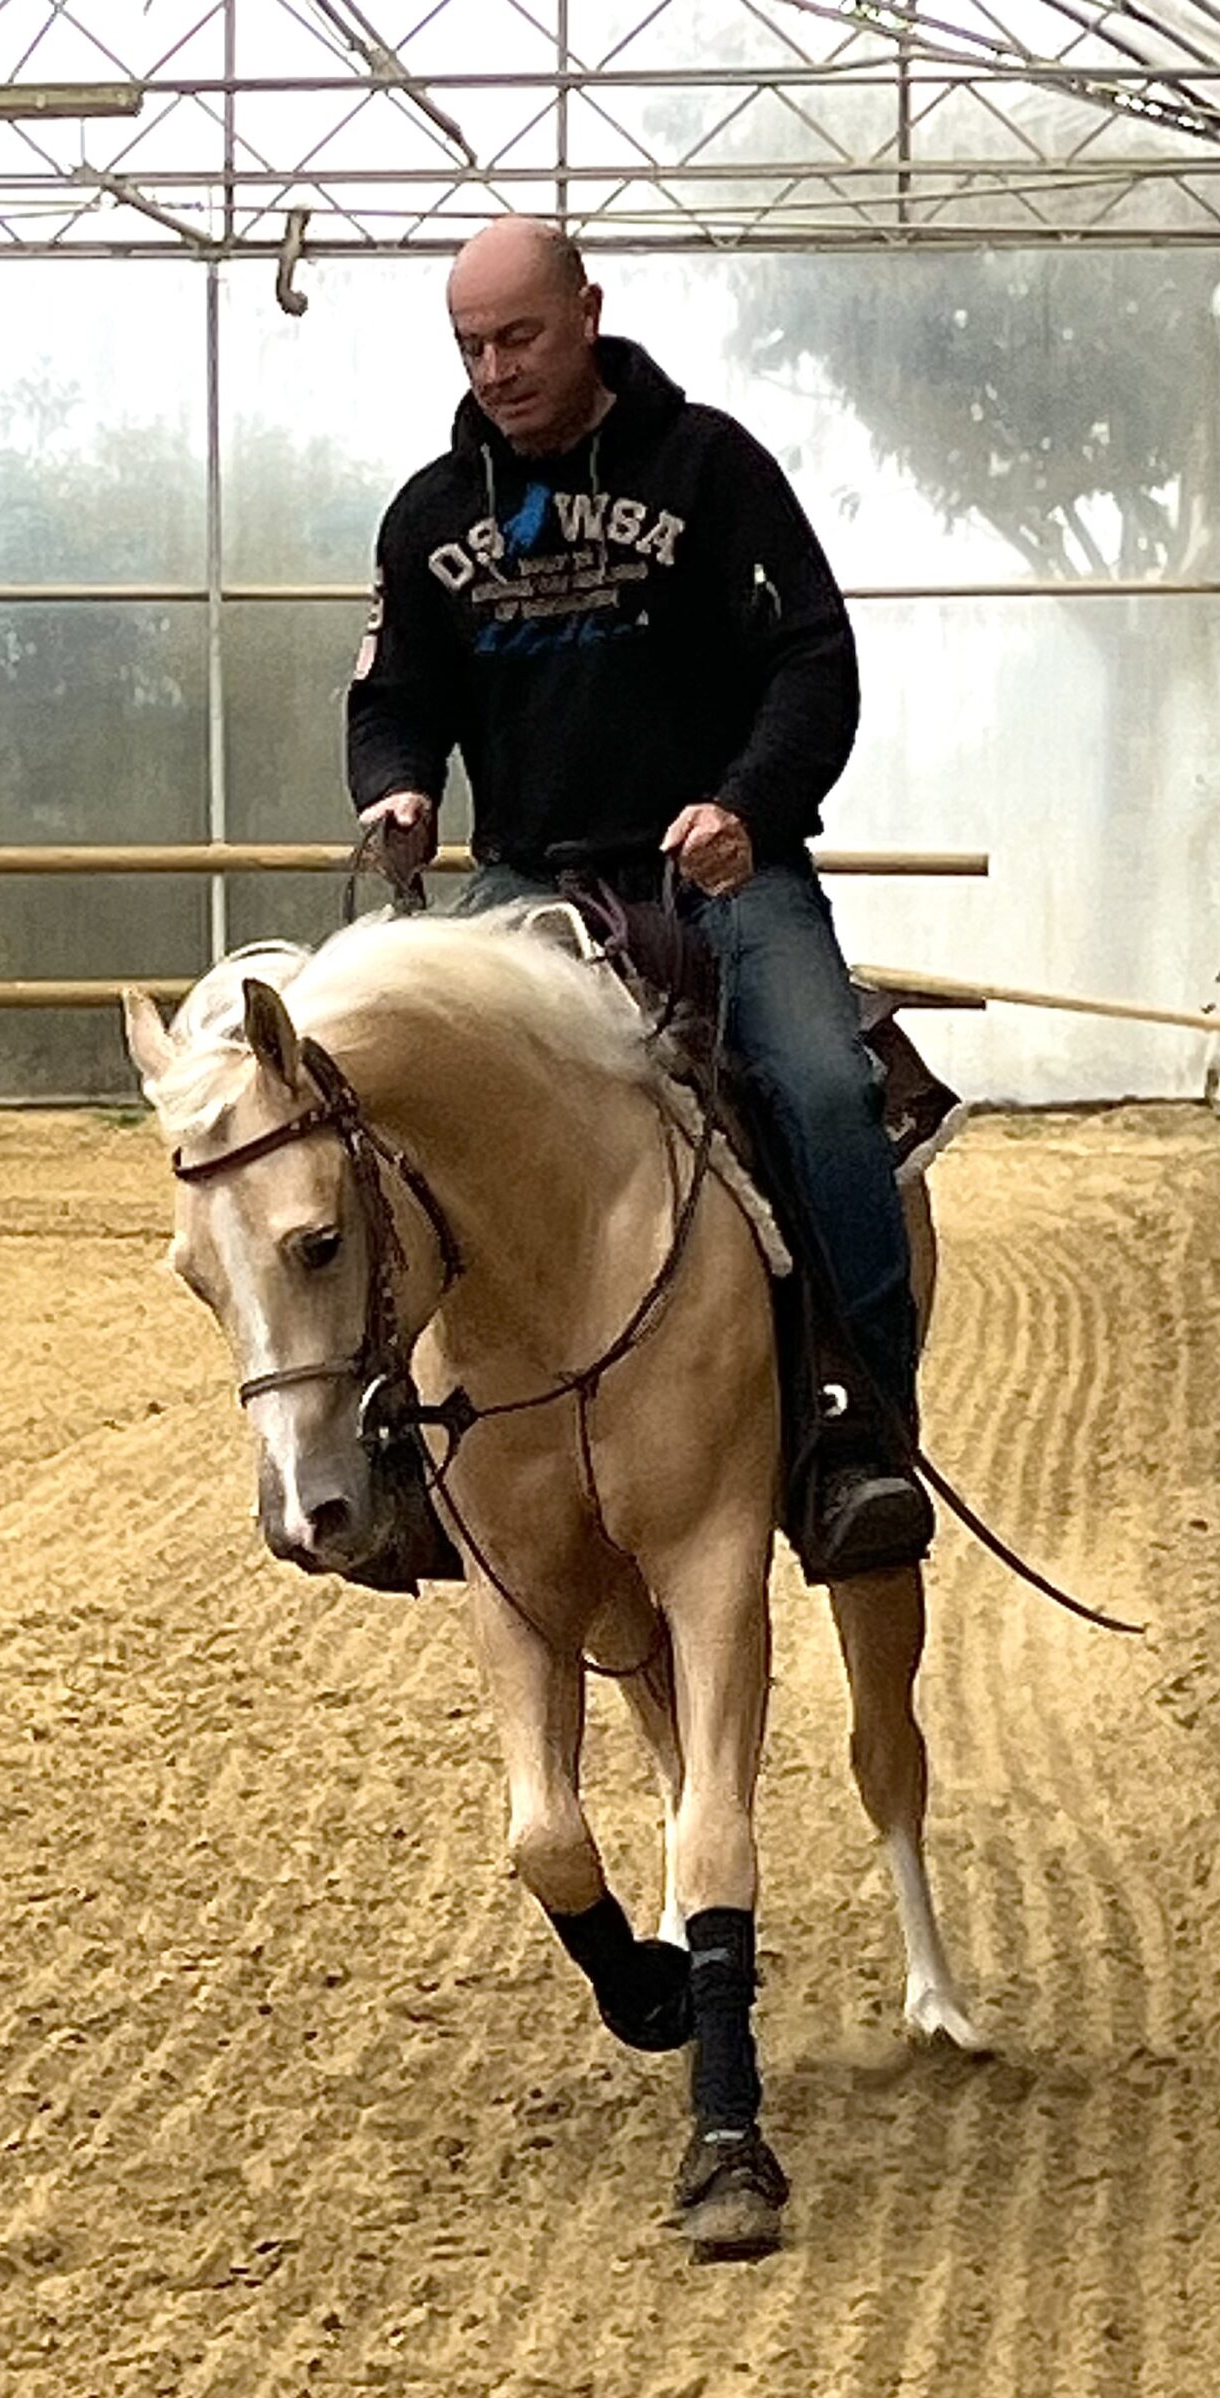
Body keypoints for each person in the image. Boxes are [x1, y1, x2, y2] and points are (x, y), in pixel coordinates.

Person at [346, 213, 931, 1580]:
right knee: (386, 1112)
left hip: (720, 870)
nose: (494, 370)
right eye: (470, 346)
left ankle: (856, 1425)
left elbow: (812, 662)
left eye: (519, 337)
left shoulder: (712, 467)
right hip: (527, 883)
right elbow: (393, 697)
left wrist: (748, 807)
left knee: (821, 1086)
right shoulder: (431, 515)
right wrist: (399, 788)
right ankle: (404, 1450)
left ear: (588, 313)